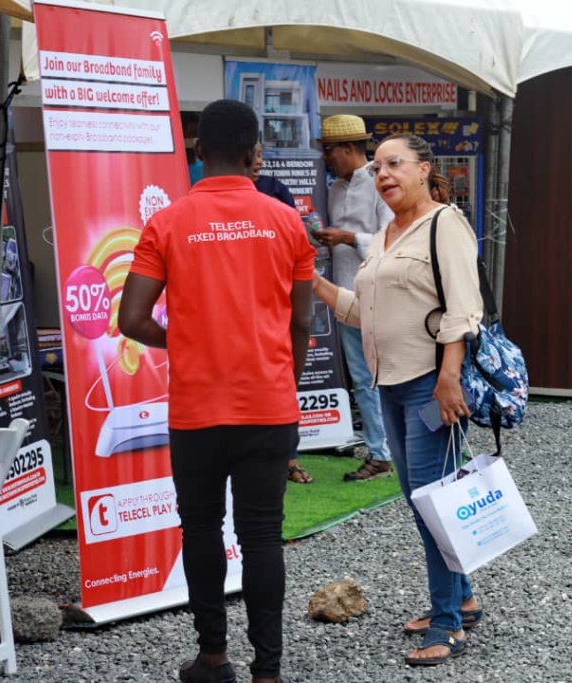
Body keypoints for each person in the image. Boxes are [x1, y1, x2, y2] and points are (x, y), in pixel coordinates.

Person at [118, 99, 314, 683]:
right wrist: (285, 384)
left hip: (197, 409)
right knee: (262, 535)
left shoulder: (167, 223)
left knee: (201, 529)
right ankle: (267, 672)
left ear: (198, 152)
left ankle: (212, 658)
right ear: (256, 154)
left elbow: (132, 319)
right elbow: (302, 321)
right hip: (269, 404)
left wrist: (186, 342)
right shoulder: (287, 221)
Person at [310, 134, 483, 666]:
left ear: (423, 169)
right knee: (421, 499)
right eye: (378, 167)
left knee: (432, 503)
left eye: (395, 164)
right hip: (391, 385)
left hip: (431, 387)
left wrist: (449, 377)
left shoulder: (444, 223)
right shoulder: (385, 234)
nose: (383, 174)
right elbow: (363, 312)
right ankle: (463, 598)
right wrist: (311, 282)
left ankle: (448, 625)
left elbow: (464, 309)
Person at [312, 115, 394, 481]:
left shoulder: (380, 183)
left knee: (389, 375)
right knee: (362, 377)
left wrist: (347, 238)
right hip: (344, 295)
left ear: (348, 149)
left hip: (380, 295)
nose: (326, 157)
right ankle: (381, 452)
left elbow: (392, 240)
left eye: (329, 150)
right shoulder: (334, 190)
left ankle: (391, 450)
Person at [251, 142, 313, 486]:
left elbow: (297, 247)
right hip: (243, 312)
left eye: (262, 154)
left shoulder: (275, 190)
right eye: (253, 154)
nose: (258, 161)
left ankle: (290, 457)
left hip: (277, 305)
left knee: (282, 389)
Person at [251, 143, 296, 209]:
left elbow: (292, 212)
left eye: (259, 155)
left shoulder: (273, 186)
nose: (259, 161)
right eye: (252, 156)